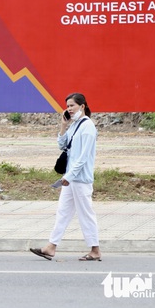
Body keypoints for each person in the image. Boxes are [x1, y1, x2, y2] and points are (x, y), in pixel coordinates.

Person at [30, 92, 102, 262]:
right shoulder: (75, 125)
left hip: (80, 179)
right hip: (70, 178)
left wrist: (69, 175)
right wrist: (63, 126)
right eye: (67, 106)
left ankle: (95, 250)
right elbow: (62, 145)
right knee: (62, 212)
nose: (69, 109)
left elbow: (83, 157)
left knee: (86, 214)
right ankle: (50, 247)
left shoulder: (88, 127)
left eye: (72, 105)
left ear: (82, 106)